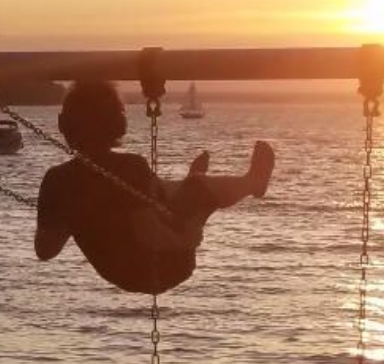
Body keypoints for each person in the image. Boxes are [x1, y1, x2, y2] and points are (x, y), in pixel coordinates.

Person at [35, 80, 274, 294]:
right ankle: (253, 182)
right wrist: (188, 240)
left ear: (63, 124)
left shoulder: (56, 179)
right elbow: (149, 233)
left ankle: (190, 186)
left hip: (120, 275)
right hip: (165, 264)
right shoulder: (130, 166)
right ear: (118, 124)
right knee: (200, 188)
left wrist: (73, 215)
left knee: (162, 190)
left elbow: (45, 251)